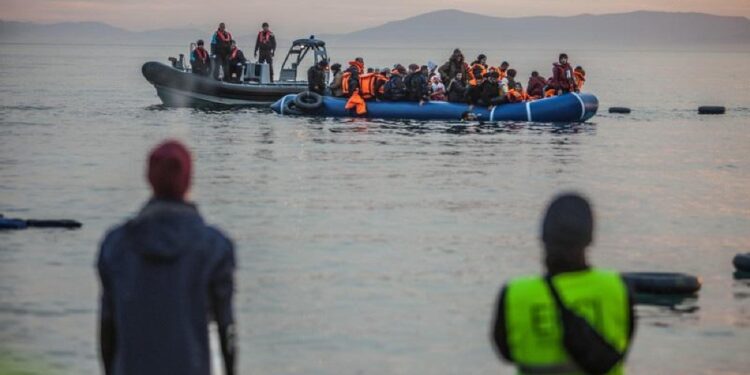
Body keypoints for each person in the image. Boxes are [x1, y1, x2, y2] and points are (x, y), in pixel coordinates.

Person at [97, 140, 236, 375]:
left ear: (149, 178)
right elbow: (227, 329)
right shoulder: (214, 246)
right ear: (188, 180)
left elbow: (107, 329)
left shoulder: (116, 244)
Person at [491, 193, 635, 375]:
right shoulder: (616, 287)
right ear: (590, 239)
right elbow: (625, 343)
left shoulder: (515, 294)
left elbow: (506, 354)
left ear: (543, 238)